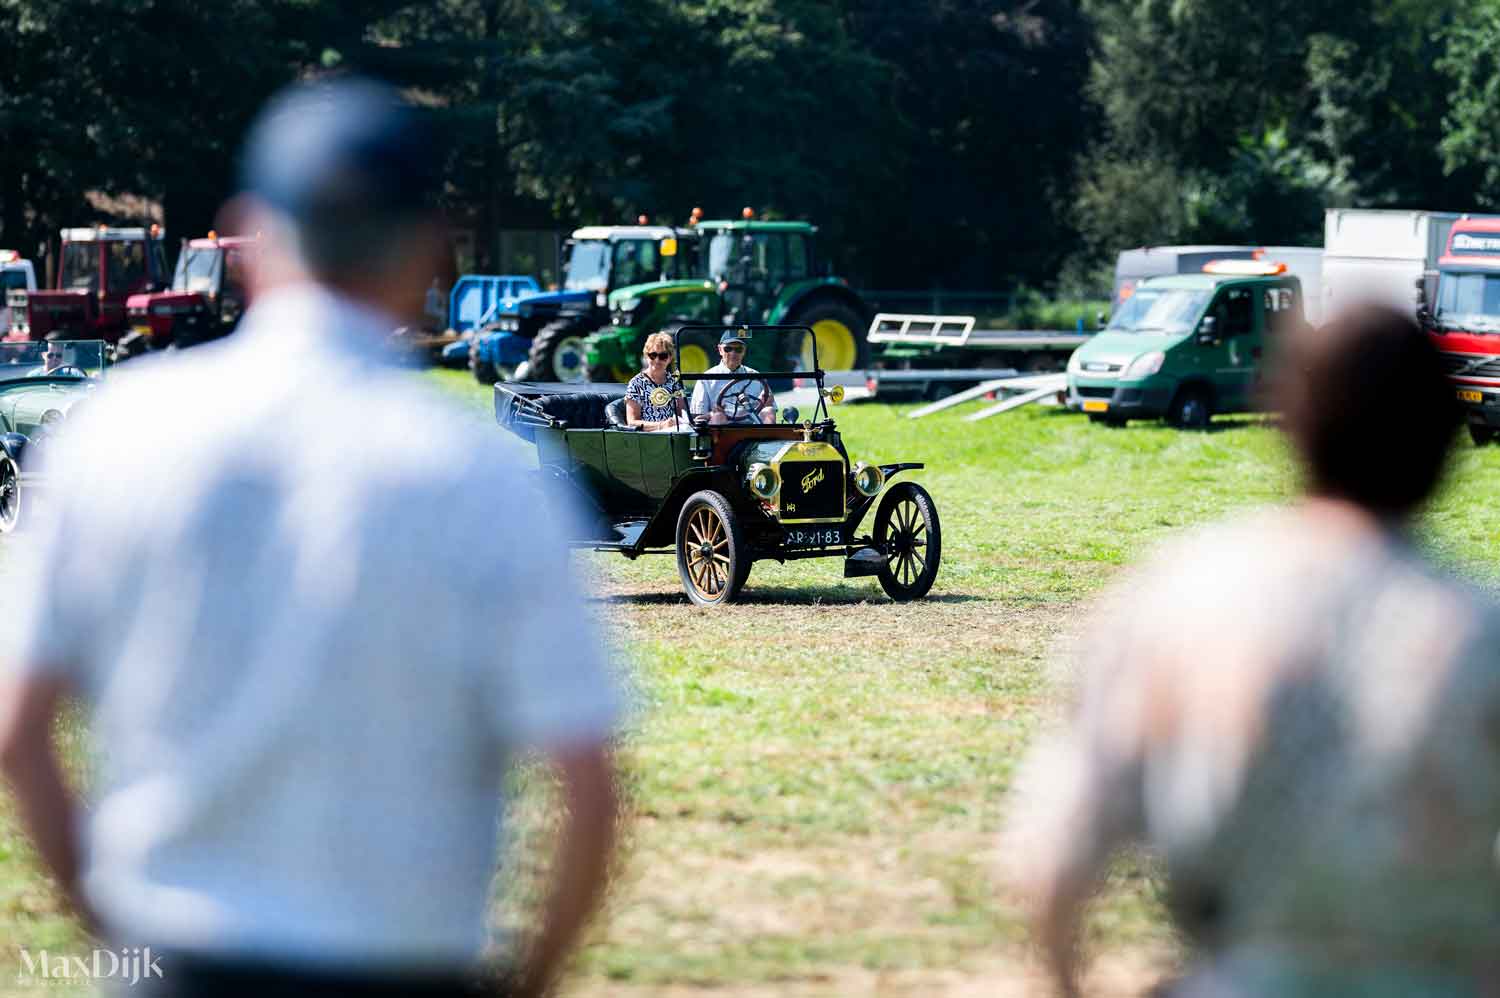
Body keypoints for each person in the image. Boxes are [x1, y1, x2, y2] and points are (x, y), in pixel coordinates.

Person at [0, 77, 621, 998]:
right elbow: (587, 784)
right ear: (431, 253)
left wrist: (114, 928)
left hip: (176, 953)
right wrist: (527, 979)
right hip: (402, 961)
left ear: (247, 238)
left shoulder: (112, 431)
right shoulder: (482, 471)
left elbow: (18, 727)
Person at [1003, 305, 1500, 996]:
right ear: (1443, 445)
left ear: (1290, 423)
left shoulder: (1176, 596)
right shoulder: (1481, 631)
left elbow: (1054, 856)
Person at [688, 330, 775, 424]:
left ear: (744, 351)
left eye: (738, 350)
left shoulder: (756, 376)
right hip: (723, 430)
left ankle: (768, 438)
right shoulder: (706, 379)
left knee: (768, 411)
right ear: (720, 350)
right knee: (718, 416)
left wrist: (766, 403)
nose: (733, 353)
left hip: (752, 427)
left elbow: (769, 406)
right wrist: (712, 414)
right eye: (728, 349)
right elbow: (697, 418)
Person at [624, 330, 686, 430]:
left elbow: (682, 416)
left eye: (663, 356)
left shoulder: (676, 382)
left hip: (673, 435)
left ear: (670, 358)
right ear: (646, 356)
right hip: (647, 439)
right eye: (653, 355)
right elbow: (632, 422)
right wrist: (661, 426)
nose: (657, 360)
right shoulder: (636, 383)